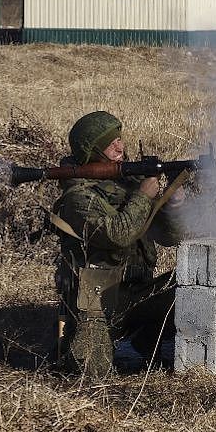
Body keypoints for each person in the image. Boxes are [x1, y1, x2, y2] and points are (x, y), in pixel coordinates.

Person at [51, 111, 185, 379]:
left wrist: (173, 206)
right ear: (92, 150)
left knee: (185, 291)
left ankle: (147, 339)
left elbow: (171, 238)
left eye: (120, 139)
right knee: (90, 375)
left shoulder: (127, 184)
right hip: (95, 304)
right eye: (111, 143)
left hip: (135, 291)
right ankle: (77, 342)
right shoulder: (78, 199)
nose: (120, 147)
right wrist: (143, 197)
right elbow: (118, 235)